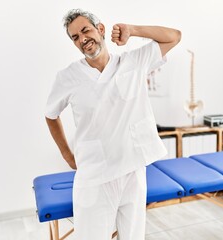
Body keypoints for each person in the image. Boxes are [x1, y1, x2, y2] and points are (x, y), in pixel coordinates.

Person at [45, 9, 181, 240]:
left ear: (100, 29)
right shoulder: (68, 77)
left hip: (133, 170)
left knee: (133, 236)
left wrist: (133, 30)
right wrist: (68, 155)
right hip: (95, 175)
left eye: (85, 30)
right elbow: (51, 115)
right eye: (75, 37)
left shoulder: (134, 62)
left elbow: (174, 36)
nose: (82, 39)